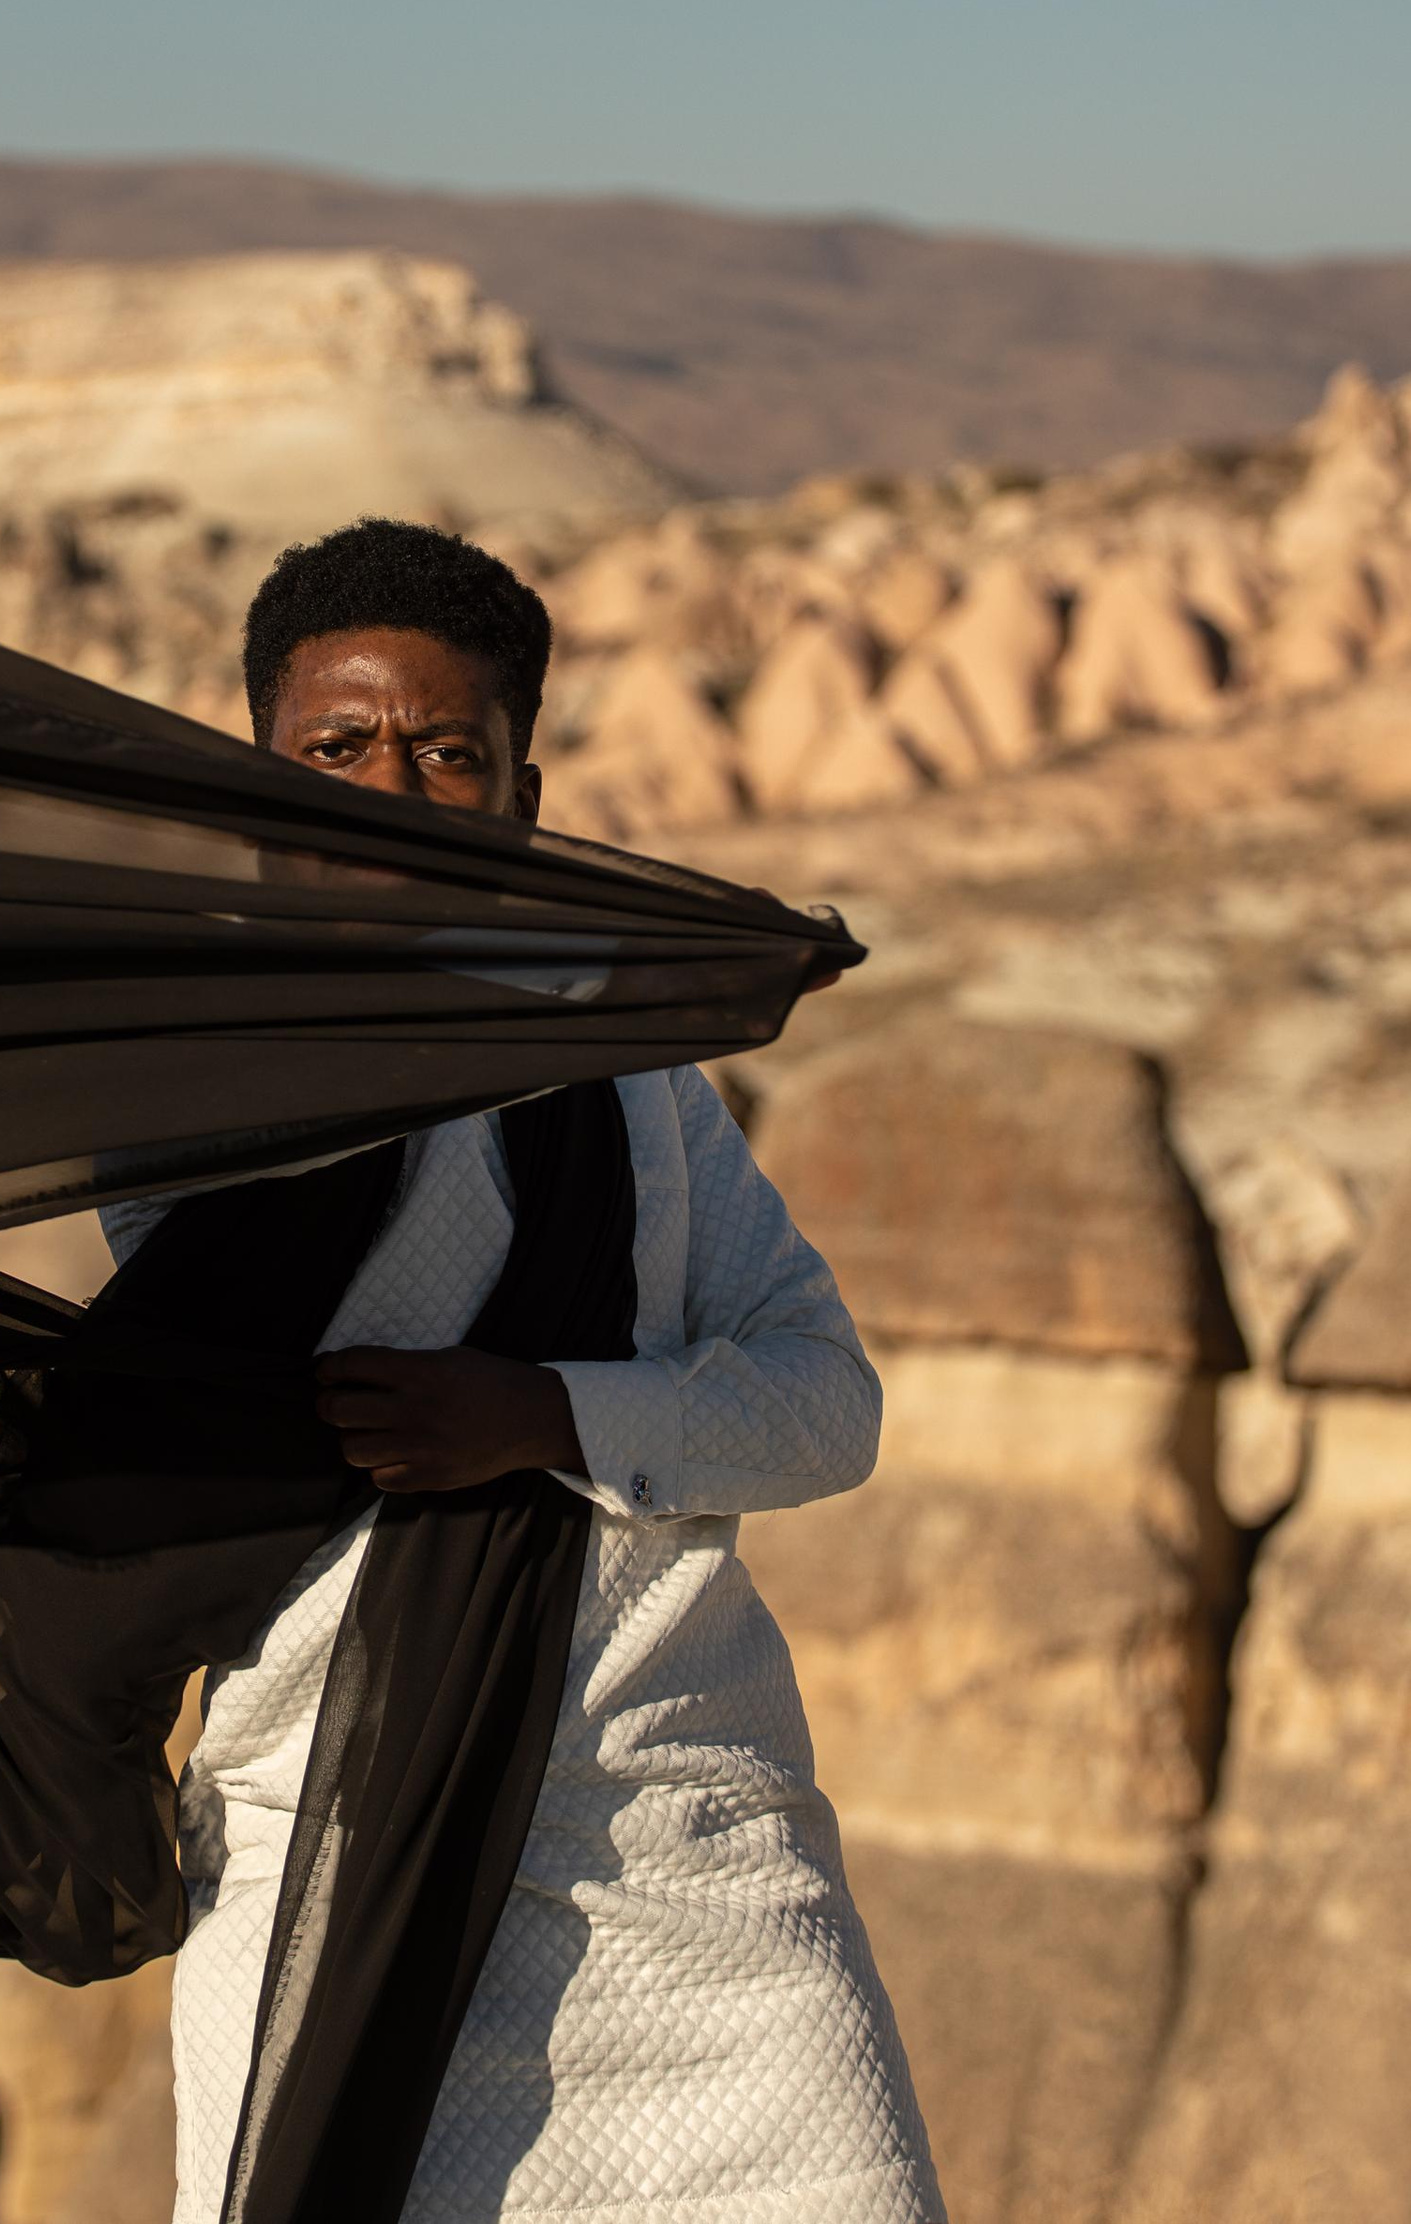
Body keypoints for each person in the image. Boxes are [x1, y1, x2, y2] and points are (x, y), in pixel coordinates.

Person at [109, 519, 946, 2224]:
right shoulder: (193, 1088)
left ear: (525, 795)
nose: (396, 793)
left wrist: (547, 1414)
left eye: (448, 753)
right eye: (336, 753)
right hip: (332, 1855)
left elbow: (825, 1399)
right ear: (265, 795)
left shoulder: (636, 1086)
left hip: (693, 1857)